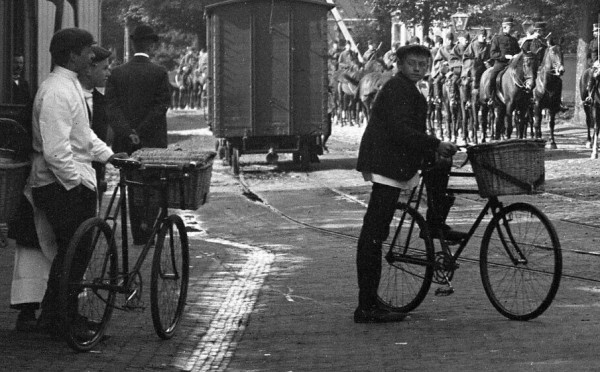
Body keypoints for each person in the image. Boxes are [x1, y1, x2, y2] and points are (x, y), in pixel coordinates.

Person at [354, 44, 465, 323]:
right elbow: (400, 129)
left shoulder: (408, 88)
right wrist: (434, 143)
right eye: (412, 64)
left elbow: (412, 130)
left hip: (397, 158)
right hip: (386, 162)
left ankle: (435, 222)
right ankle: (367, 306)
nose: (418, 68)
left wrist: (435, 147)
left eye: (423, 64)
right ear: (400, 65)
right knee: (374, 234)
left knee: (441, 164)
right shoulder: (395, 89)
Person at [30, 28, 125, 336]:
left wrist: (111, 157)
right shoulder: (57, 91)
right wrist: (78, 184)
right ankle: (62, 319)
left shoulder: (67, 86)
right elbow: (56, 152)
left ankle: (55, 316)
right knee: (75, 250)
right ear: (72, 55)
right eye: (87, 51)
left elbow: (83, 137)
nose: (91, 56)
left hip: (66, 182)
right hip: (60, 184)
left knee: (73, 252)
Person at [105, 24, 171, 245]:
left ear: (133, 43)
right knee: (153, 185)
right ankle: (150, 230)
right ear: (150, 45)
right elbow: (161, 107)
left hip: (126, 142)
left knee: (132, 185)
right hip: (152, 142)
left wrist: (128, 132)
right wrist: (141, 131)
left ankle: (137, 234)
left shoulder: (117, 73)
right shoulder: (159, 73)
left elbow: (111, 108)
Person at [79, 45, 113, 202]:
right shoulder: (69, 95)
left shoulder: (101, 101)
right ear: (89, 69)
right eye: (105, 68)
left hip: (95, 172)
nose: (108, 73)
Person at [486, 17, 520, 106]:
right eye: (510, 26)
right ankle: (491, 97)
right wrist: (504, 56)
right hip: (501, 63)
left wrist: (517, 55)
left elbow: (519, 52)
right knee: (492, 77)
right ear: (504, 27)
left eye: (512, 26)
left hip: (513, 64)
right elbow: (492, 54)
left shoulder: (514, 40)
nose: (512, 28)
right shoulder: (496, 38)